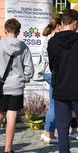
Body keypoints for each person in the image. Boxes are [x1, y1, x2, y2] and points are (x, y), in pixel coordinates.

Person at [47, 9, 78, 153]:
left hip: (60, 89)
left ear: (62, 23)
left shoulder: (52, 42)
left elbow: (52, 65)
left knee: (62, 128)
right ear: (75, 23)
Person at [0, 18, 34, 153]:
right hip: (16, 86)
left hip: (1, 85)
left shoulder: (0, 45)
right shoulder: (24, 47)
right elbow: (29, 69)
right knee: (12, 115)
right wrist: (23, 78)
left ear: (5, 30)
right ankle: (8, 149)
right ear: (18, 32)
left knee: (1, 114)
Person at [40, 18, 61, 144]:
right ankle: (49, 133)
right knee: (55, 104)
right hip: (53, 73)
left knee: (54, 103)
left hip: (48, 73)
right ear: (58, 26)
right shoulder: (54, 39)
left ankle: (47, 132)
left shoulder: (48, 38)